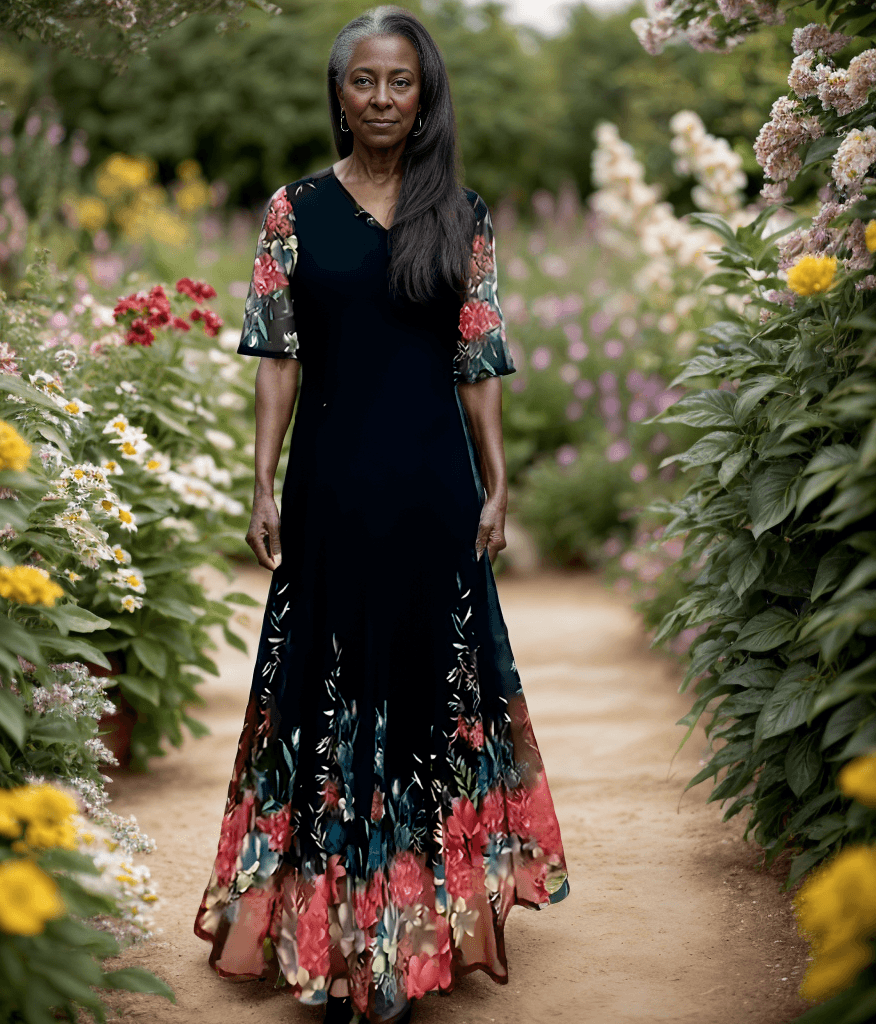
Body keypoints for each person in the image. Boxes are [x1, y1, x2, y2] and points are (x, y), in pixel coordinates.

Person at [194, 6, 569, 1022]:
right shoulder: (291, 211)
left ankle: (412, 927)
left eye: (399, 81)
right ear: (339, 91)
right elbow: (276, 358)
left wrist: (497, 480)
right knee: (322, 692)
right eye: (363, 80)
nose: (381, 98)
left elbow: (478, 361)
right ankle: (325, 934)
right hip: (326, 485)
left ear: (423, 91)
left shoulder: (464, 214)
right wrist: (259, 480)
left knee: (425, 688)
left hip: (429, 489)